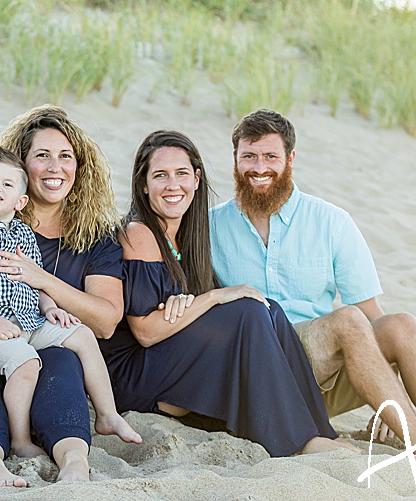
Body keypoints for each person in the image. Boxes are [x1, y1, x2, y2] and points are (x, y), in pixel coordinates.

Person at [208, 108, 416, 460]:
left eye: (270, 156)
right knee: (348, 320)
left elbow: (372, 316)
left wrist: (387, 395)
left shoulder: (331, 222)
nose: (260, 168)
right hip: (258, 373)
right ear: (235, 159)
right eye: (249, 156)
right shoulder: (210, 227)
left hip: (321, 377)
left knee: (401, 326)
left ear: (290, 159)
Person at [108, 129, 355, 457]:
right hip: (134, 375)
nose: (173, 185)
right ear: (143, 184)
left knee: (268, 308)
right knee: (245, 310)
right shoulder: (139, 234)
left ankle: (318, 429)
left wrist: (196, 301)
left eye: (182, 174)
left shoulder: (186, 235)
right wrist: (212, 297)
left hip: (168, 358)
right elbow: (145, 332)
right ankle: (296, 442)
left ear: (196, 179)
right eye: (160, 176)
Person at [0, 105, 126, 487]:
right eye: (42, 156)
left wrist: (45, 287)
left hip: (36, 329)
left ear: (80, 166)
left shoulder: (95, 235)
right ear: (24, 165)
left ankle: (75, 463)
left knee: (62, 366)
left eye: (65, 156)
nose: (55, 167)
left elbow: (106, 322)